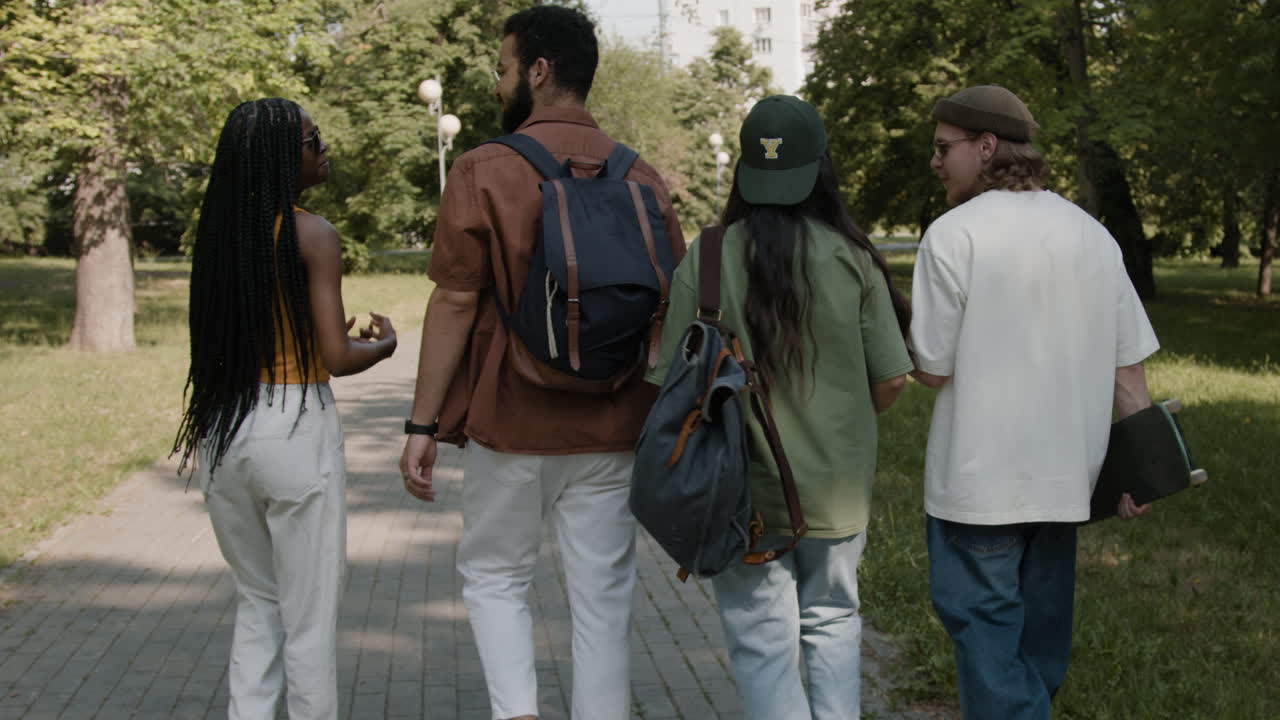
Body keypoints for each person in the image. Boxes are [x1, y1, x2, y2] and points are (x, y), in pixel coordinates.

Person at [396, 6, 684, 719]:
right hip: (613, 424)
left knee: (495, 576)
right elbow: (670, 313)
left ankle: (517, 713)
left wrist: (422, 424)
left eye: (502, 69)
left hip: (511, 422)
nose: (498, 86)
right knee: (604, 596)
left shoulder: (482, 169)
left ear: (538, 70)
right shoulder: (641, 177)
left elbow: (455, 305)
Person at [647, 95, 914, 719]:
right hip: (838, 492)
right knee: (834, 623)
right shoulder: (855, 259)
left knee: (762, 644)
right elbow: (894, 380)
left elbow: (670, 383)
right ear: (820, 170)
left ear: (744, 172)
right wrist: (841, 422)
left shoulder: (707, 257)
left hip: (741, 495)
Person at [909, 84, 1160, 719]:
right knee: (1035, 656)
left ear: (986, 147)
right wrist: (1145, 473)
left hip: (979, 490)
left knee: (994, 658)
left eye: (944, 148)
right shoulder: (1092, 236)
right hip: (1067, 487)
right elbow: (1127, 374)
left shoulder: (952, 235)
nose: (935, 162)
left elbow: (933, 372)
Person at [173, 98, 397, 720]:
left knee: (257, 598)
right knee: (309, 615)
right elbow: (335, 356)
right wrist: (383, 346)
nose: (321, 147)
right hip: (294, 428)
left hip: (226, 429)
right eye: (310, 138)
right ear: (278, 156)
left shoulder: (221, 234)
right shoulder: (312, 232)